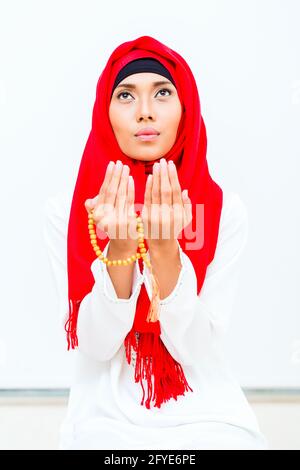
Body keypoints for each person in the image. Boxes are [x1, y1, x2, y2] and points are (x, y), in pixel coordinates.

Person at [43, 35, 270, 450]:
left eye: (162, 93)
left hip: (211, 418)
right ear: (104, 112)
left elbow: (195, 349)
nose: (145, 112)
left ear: (185, 109)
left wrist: (166, 251)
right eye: (126, 95)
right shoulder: (70, 211)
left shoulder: (225, 211)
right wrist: (122, 249)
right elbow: (95, 344)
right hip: (102, 422)